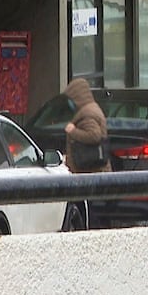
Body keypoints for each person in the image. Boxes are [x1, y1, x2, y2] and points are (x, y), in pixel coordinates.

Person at [62, 77, 109, 230]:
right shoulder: (91, 109)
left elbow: (94, 136)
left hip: (90, 171)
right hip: (93, 171)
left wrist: (73, 131)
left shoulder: (87, 114)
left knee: (92, 213)